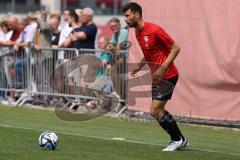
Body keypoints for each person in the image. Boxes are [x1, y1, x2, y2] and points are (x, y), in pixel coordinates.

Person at [122, 2, 189, 151]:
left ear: (137, 14)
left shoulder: (155, 30)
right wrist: (139, 65)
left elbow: (176, 48)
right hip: (157, 77)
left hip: (168, 74)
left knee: (155, 110)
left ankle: (177, 139)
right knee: (157, 111)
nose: (125, 19)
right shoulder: (137, 32)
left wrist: (164, 66)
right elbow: (149, 53)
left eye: (127, 15)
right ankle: (181, 139)